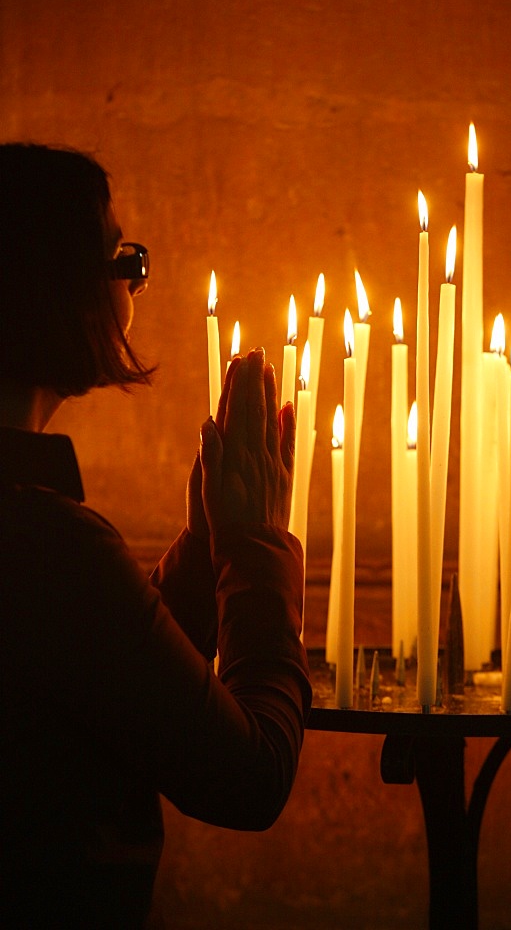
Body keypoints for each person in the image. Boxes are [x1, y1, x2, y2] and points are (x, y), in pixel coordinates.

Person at [0, 143, 311, 928]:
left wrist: (209, 545)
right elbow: (248, 776)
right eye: (124, 260)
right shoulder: (49, 544)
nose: (134, 284)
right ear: (62, 289)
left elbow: (107, 675)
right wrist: (257, 547)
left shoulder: (44, 535)